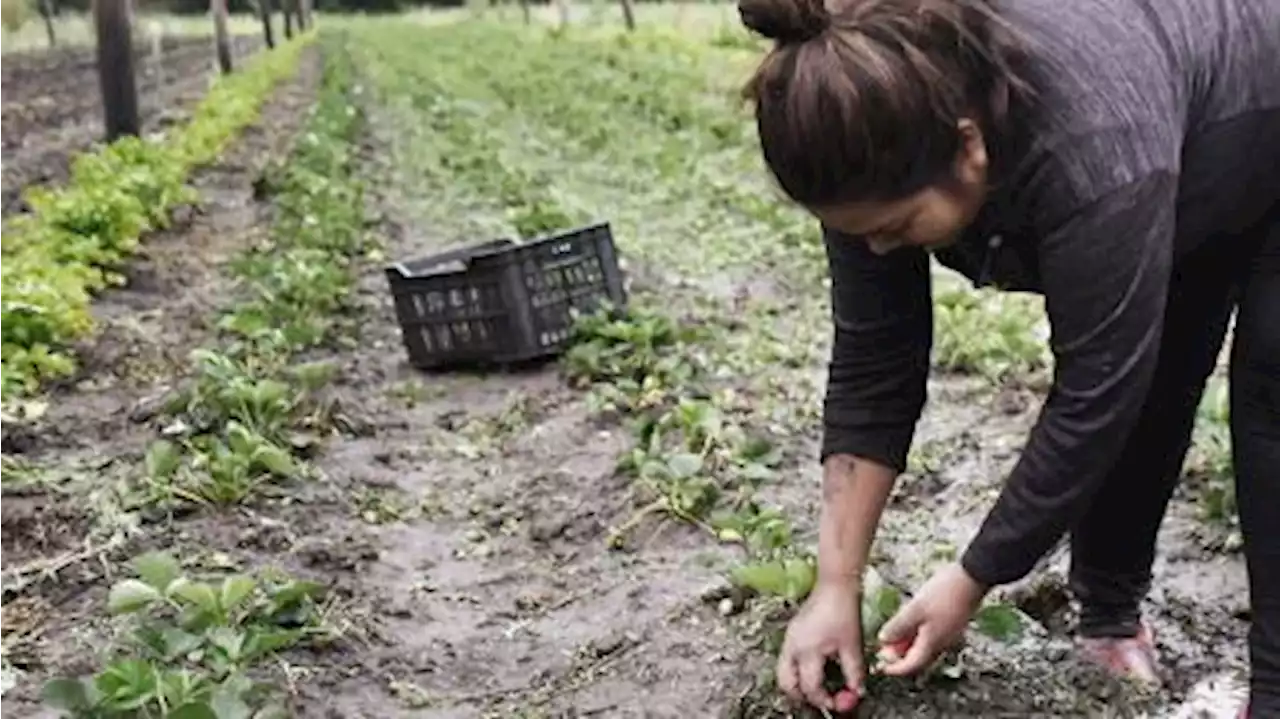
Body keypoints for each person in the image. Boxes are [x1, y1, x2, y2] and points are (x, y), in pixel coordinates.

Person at [735, 0, 1280, 714]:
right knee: (1160, 370)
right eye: (857, 233)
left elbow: (1093, 393)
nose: (878, 248)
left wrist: (970, 577)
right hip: (1178, 123)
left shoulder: (1093, 147)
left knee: (1271, 396)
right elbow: (876, 365)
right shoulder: (869, 140)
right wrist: (835, 583)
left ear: (970, 147)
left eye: (897, 226)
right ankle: (1110, 617)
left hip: (1255, 94)